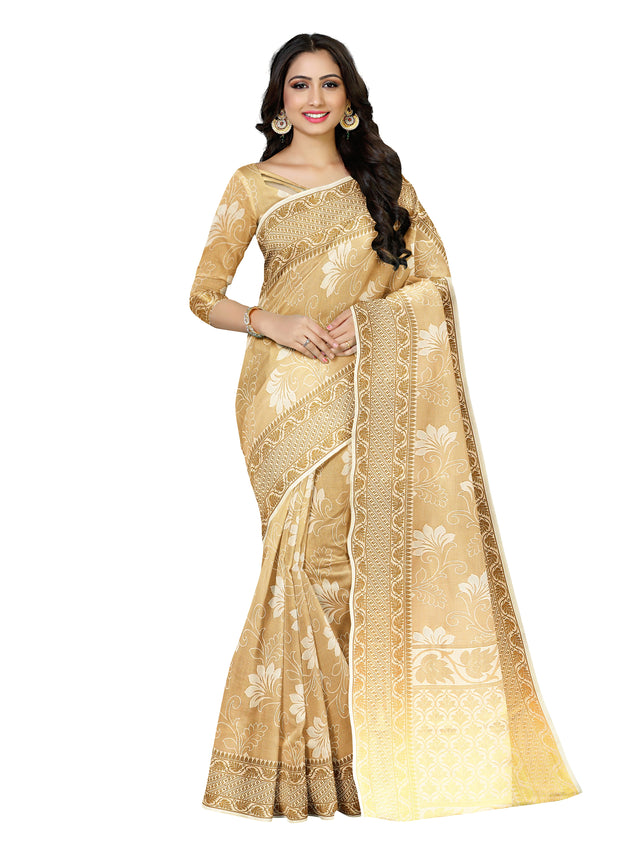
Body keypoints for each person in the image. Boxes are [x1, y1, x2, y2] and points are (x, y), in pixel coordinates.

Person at [189, 32, 582, 823]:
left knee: (341, 558)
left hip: (364, 384)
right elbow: (203, 295)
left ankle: (353, 763)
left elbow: (436, 283)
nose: (315, 98)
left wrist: (372, 322)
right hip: (280, 394)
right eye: (300, 84)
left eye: (329, 83)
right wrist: (274, 320)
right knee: (299, 557)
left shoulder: (386, 183)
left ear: (350, 98)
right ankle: (301, 767)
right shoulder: (251, 184)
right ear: (279, 101)